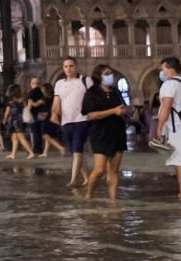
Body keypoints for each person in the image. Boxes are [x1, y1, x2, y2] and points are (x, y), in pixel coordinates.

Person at [81, 65, 128, 201]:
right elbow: (91, 115)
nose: (110, 76)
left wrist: (126, 112)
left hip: (117, 132)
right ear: (99, 76)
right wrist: (113, 111)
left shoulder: (116, 92)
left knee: (113, 169)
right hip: (100, 133)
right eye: (107, 73)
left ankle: (112, 199)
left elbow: (122, 107)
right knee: (100, 169)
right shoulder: (92, 93)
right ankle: (89, 193)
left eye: (111, 73)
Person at [155, 56, 181, 202]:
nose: (162, 72)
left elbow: (166, 107)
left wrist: (159, 128)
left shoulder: (169, 84)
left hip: (177, 129)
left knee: (179, 163)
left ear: (171, 70)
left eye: (163, 69)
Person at [51, 57, 91, 186]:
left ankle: (73, 180)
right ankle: (87, 179)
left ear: (76, 66)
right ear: (63, 68)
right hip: (66, 122)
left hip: (82, 120)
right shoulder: (59, 84)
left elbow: (94, 98)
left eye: (71, 66)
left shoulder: (85, 81)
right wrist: (54, 113)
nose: (68, 68)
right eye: (66, 66)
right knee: (76, 151)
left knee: (77, 149)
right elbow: (56, 102)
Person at [5, 85, 35, 160]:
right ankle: (13, 154)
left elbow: (7, 112)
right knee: (14, 138)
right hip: (21, 120)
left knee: (21, 138)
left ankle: (31, 152)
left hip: (15, 120)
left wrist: (5, 119)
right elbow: (25, 108)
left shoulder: (11, 101)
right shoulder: (23, 100)